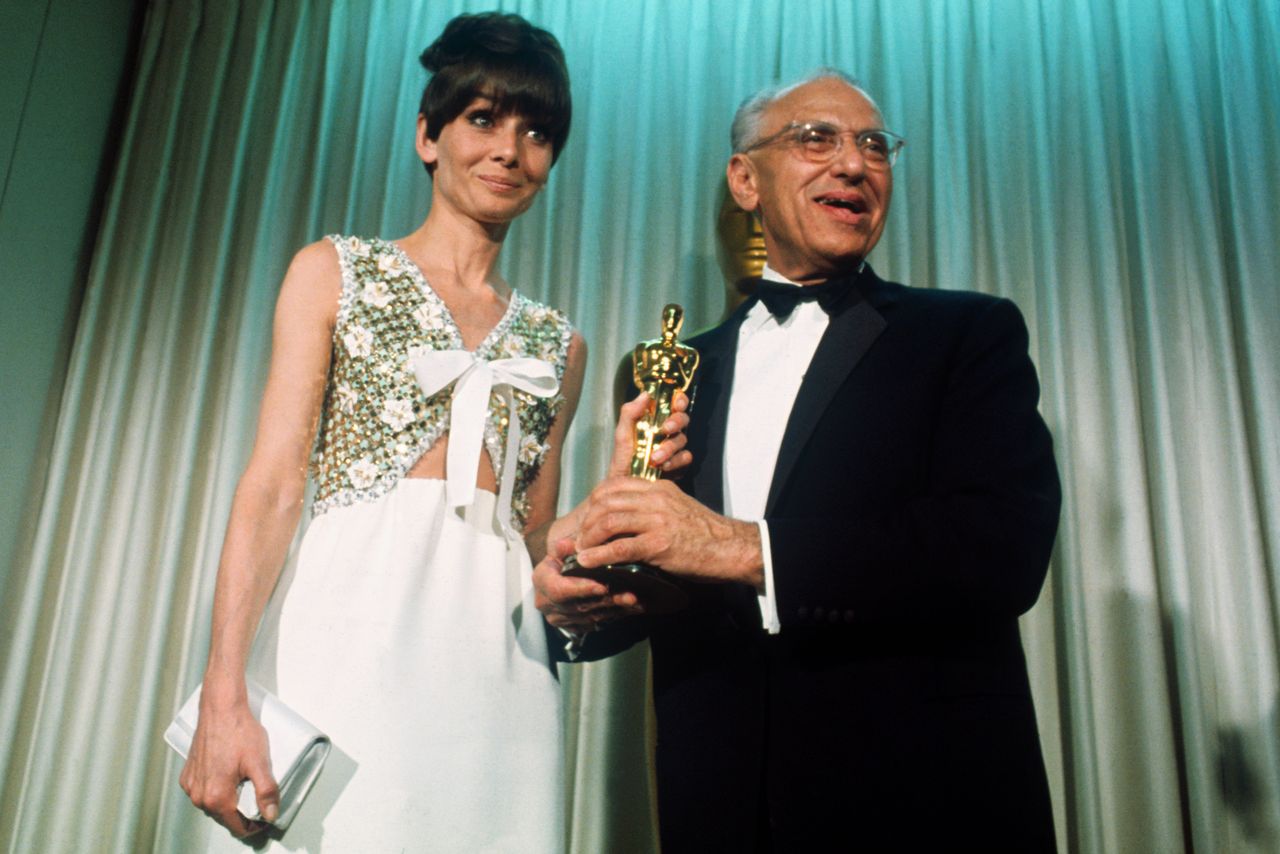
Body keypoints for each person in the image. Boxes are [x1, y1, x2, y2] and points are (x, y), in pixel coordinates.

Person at [178, 13, 686, 851]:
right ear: (428, 135)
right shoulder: (334, 270)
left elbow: (529, 544)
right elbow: (272, 485)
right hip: (343, 638)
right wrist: (223, 691)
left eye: (536, 132)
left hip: (498, 670)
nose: (508, 151)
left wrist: (626, 490)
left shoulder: (561, 345)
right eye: (483, 120)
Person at [535, 69, 1061, 851]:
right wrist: (580, 591)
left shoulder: (966, 336)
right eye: (817, 138)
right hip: (717, 809)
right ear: (745, 179)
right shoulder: (673, 369)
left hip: (921, 806)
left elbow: (998, 553)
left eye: (874, 145)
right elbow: (661, 586)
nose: (854, 164)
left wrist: (737, 547)